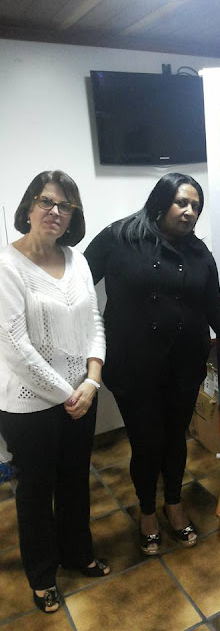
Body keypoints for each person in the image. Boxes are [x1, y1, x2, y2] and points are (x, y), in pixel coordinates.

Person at [85, 173, 220, 553]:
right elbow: (75, 286)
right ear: (161, 201)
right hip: (133, 366)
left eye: (196, 206)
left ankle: (173, 503)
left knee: (174, 438)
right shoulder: (120, 236)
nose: (189, 212)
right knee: (145, 442)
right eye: (181, 202)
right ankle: (146, 511)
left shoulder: (199, 252)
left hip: (183, 365)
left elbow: (214, 305)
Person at [0, 171, 110, 614]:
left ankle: (77, 553)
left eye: (66, 206)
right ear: (29, 206)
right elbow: (15, 346)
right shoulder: (8, 266)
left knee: (74, 482)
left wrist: (92, 380)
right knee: (35, 492)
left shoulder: (77, 260)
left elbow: (94, 323)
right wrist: (71, 393)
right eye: (46, 201)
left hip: (82, 395)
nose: (55, 212)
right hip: (30, 406)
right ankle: (43, 575)